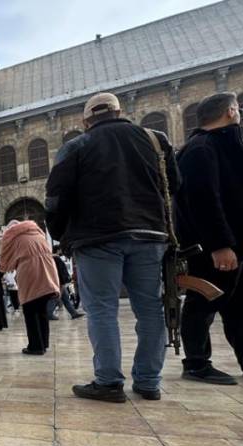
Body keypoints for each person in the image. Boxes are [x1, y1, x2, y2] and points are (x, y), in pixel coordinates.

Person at [45, 92, 178, 402]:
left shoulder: (76, 146)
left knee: (102, 310)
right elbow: (175, 185)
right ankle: (148, 381)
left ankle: (108, 381)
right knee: (151, 308)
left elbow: (55, 198)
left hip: (97, 238)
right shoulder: (155, 140)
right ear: (119, 112)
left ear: (86, 121)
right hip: (149, 234)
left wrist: (62, 235)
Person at [176, 92, 243, 385]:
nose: (239, 113)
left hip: (241, 244)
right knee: (204, 301)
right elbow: (202, 201)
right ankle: (196, 363)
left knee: (240, 303)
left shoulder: (228, 147)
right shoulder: (201, 149)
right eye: (238, 109)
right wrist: (219, 244)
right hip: (214, 247)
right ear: (230, 111)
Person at [0, 221, 59, 355]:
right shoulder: (38, 234)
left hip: (30, 272)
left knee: (30, 310)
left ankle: (35, 346)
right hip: (48, 272)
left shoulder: (14, 237)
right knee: (42, 310)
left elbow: (5, 263)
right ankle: (44, 343)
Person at [48, 247, 84, 320]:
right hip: (59, 282)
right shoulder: (56, 258)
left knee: (65, 298)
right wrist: (63, 281)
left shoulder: (52, 258)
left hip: (57, 281)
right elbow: (60, 271)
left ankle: (73, 313)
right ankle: (48, 313)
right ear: (58, 250)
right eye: (61, 249)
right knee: (56, 297)